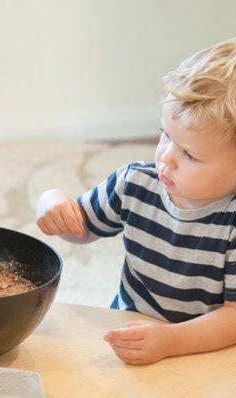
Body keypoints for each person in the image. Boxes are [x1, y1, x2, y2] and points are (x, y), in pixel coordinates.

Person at [35, 38, 236, 365]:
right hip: (132, 334)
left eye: (189, 154)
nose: (166, 159)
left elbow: (233, 318)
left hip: (206, 350)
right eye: (166, 135)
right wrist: (52, 201)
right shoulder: (136, 182)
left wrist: (171, 341)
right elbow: (80, 229)